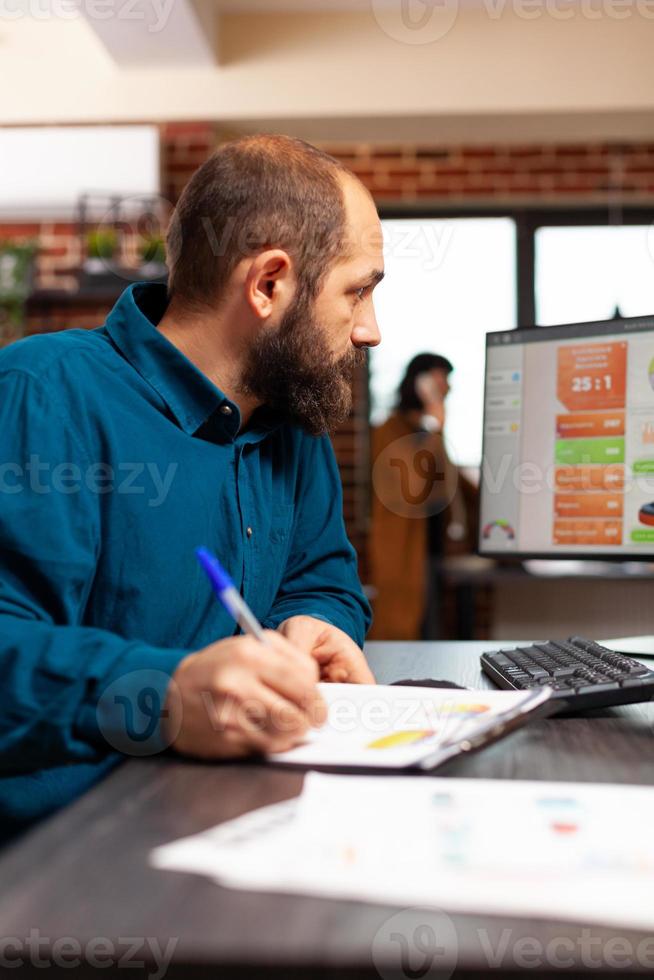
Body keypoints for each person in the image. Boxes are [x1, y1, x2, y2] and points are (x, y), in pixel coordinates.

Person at [0, 135, 385, 841]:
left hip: (244, 820)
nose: (371, 331)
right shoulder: (43, 396)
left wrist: (320, 624)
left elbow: (323, 578)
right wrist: (167, 693)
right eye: (359, 291)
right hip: (62, 858)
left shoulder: (294, 418)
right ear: (268, 284)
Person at [368, 353, 474, 640]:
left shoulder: (430, 430)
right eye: (441, 380)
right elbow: (412, 485)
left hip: (435, 548)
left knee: (435, 630)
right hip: (403, 550)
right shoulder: (389, 431)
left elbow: (449, 481)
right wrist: (433, 425)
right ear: (420, 383)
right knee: (406, 630)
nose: (447, 389)